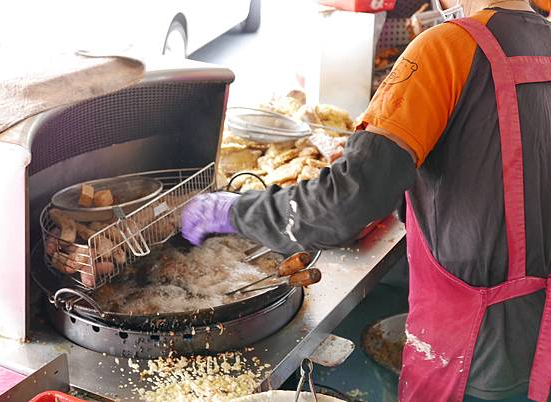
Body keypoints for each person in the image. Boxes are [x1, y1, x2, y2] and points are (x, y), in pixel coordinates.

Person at [182, 0, 551, 400]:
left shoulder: (447, 48)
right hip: (540, 341)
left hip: (471, 351)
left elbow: (346, 204)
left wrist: (234, 211)